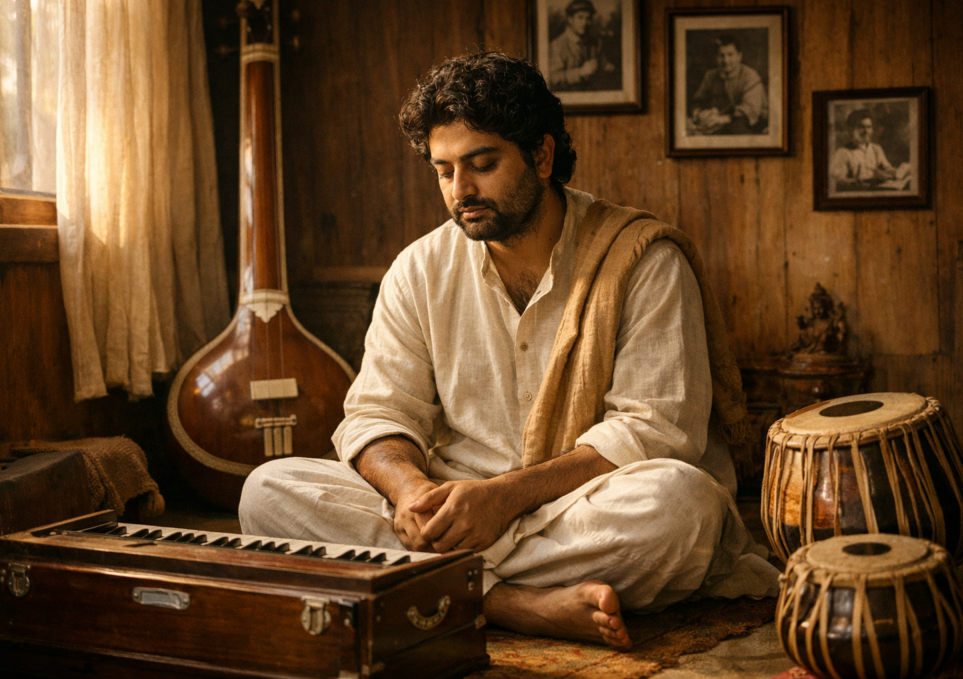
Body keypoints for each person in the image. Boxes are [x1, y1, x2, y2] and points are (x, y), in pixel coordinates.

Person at [239, 52, 779, 651]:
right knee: (268, 491)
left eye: (482, 164)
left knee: (682, 505)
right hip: (455, 509)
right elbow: (379, 413)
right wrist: (413, 494)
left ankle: (446, 588)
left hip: (581, 510)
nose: (459, 190)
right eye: (443, 171)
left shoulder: (642, 260)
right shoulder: (419, 270)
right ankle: (511, 603)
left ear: (542, 156)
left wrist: (502, 500)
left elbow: (654, 433)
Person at [690, 35, 767, 135]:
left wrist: (721, 119)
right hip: (716, 122)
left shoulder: (751, 76)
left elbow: (751, 111)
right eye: (721, 55)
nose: (725, 61)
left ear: (739, 56)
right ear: (716, 57)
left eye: (730, 55)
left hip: (751, 124)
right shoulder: (710, 75)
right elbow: (698, 100)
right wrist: (697, 113)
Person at [549, 0, 615, 91]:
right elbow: (552, 78)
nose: (584, 23)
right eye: (580, 17)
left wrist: (607, 67)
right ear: (570, 20)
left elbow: (603, 64)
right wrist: (581, 72)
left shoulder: (594, 43)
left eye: (588, 18)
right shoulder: (557, 45)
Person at [829, 109, 898, 190]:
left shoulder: (876, 149)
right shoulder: (842, 153)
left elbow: (887, 168)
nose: (866, 131)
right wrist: (855, 182)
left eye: (869, 127)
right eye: (861, 127)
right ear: (851, 130)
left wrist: (893, 172)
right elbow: (837, 181)